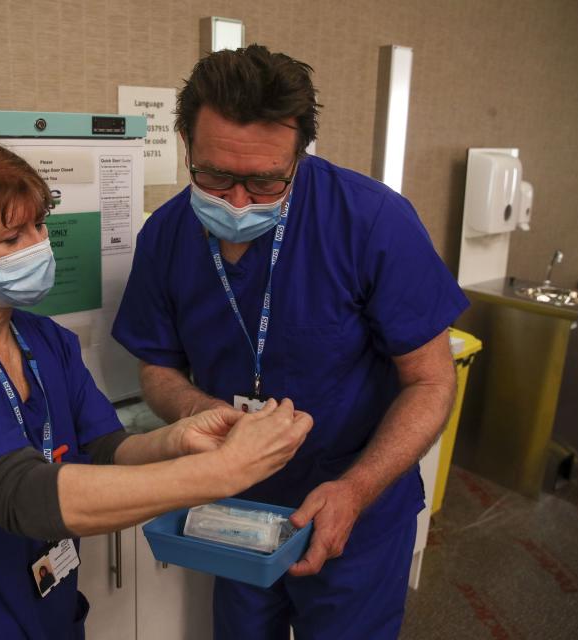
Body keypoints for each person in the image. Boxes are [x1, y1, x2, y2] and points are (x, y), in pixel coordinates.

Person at [0, 139, 314, 638]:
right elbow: (23, 496)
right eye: (9, 240)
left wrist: (176, 441)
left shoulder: (45, 340)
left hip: (44, 613)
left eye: (38, 227)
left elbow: (106, 449)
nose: (35, 246)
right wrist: (222, 471)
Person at [112, 45, 469, 639]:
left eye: (265, 180)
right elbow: (158, 367)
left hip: (356, 503)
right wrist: (202, 412)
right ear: (183, 141)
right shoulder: (167, 236)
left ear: (299, 157)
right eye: (216, 175)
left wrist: (355, 490)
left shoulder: (372, 222)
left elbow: (431, 380)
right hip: (234, 504)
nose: (237, 202)